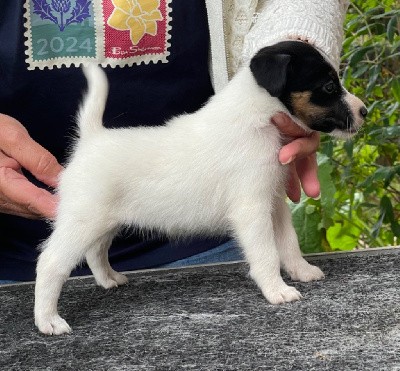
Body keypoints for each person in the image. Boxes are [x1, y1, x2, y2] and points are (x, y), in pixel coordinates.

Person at [1, 0, 345, 283]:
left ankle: (99, 270)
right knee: (86, 228)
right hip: (11, 256)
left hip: (211, 253)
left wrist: (292, 53)